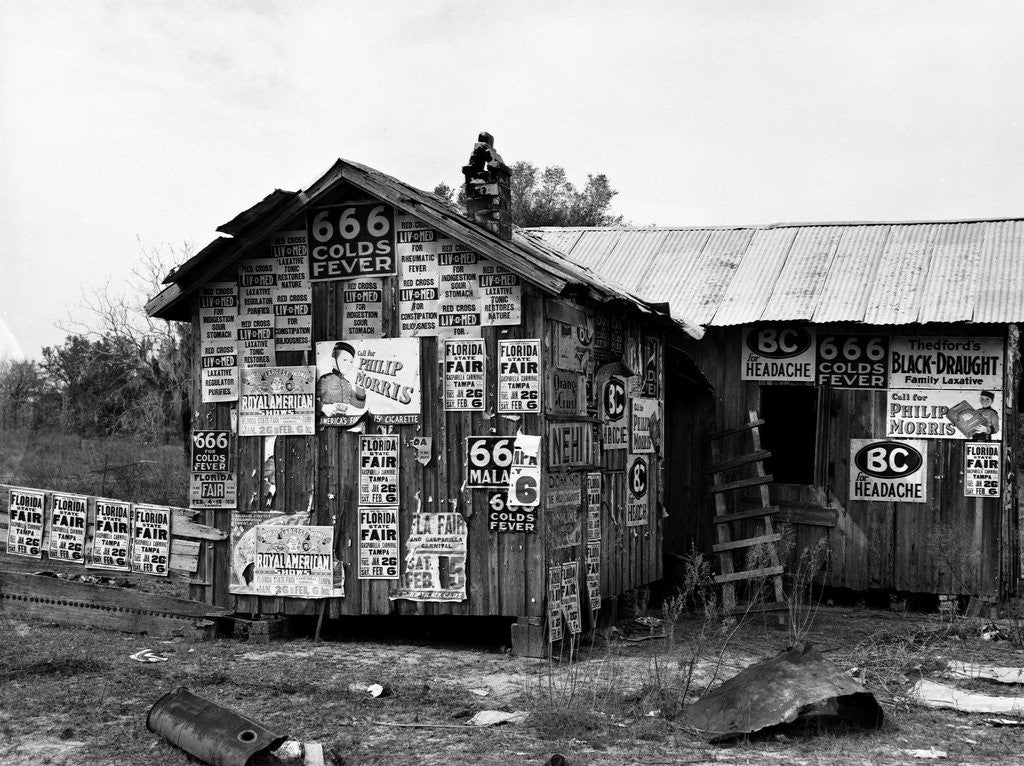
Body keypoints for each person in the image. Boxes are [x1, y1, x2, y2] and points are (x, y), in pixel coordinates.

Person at [316, 341, 367, 417]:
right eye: (345, 360)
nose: (349, 364)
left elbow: (360, 404)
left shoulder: (346, 383)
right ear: (334, 360)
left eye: (351, 361)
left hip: (344, 422)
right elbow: (310, 400)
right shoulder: (325, 380)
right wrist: (323, 407)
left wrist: (359, 385)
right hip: (326, 422)